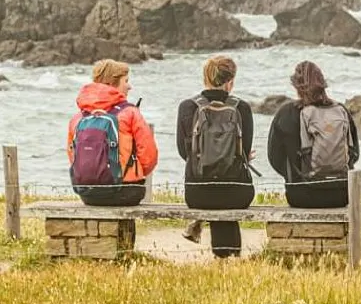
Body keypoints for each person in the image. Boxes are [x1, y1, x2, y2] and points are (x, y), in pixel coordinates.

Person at [176, 55, 255, 258]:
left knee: (214, 190)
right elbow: (244, 150)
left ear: (206, 78)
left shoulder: (188, 107)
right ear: (230, 82)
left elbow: (183, 151)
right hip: (237, 193)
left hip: (197, 192)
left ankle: (223, 258)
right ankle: (229, 257)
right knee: (227, 185)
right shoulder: (242, 108)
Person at [267, 60, 359, 208]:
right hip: (341, 194)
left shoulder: (286, 113)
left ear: (296, 85)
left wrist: (294, 176)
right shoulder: (340, 110)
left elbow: (274, 157)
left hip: (301, 195)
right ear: (322, 83)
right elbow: (354, 153)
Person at [67, 58, 158, 206]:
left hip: (88, 194)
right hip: (127, 192)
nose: (130, 86)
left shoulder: (78, 118)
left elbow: (73, 155)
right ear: (111, 84)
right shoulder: (130, 113)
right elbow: (149, 155)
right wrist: (134, 173)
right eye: (126, 81)